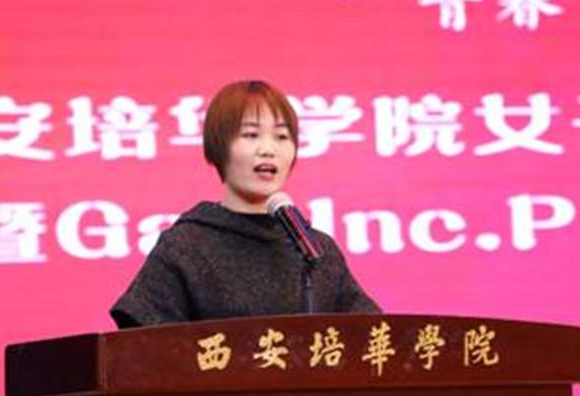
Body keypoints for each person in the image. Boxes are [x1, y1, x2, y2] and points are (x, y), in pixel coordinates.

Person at [109, 79, 381, 328]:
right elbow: (142, 343)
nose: (268, 149)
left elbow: (373, 338)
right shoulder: (186, 246)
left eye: (281, 137)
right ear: (219, 148)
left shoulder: (315, 251)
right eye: (251, 135)